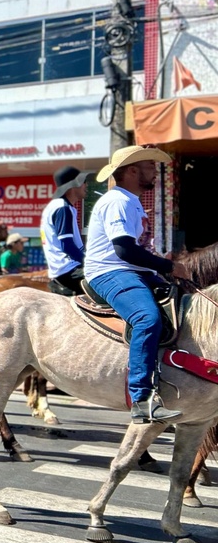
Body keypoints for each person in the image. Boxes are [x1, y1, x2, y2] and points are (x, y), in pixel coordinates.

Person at [84, 145, 188, 424]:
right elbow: (124, 251)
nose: (155, 171)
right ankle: (141, 399)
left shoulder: (131, 200)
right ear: (132, 171)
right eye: (150, 167)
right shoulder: (118, 201)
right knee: (147, 318)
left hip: (133, 271)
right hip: (110, 272)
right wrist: (169, 266)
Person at [41, 166, 91, 296]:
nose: (86, 185)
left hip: (65, 270)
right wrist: (90, 262)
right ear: (73, 185)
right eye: (83, 182)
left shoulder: (60, 206)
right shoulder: (62, 208)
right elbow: (67, 245)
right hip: (69, 270)